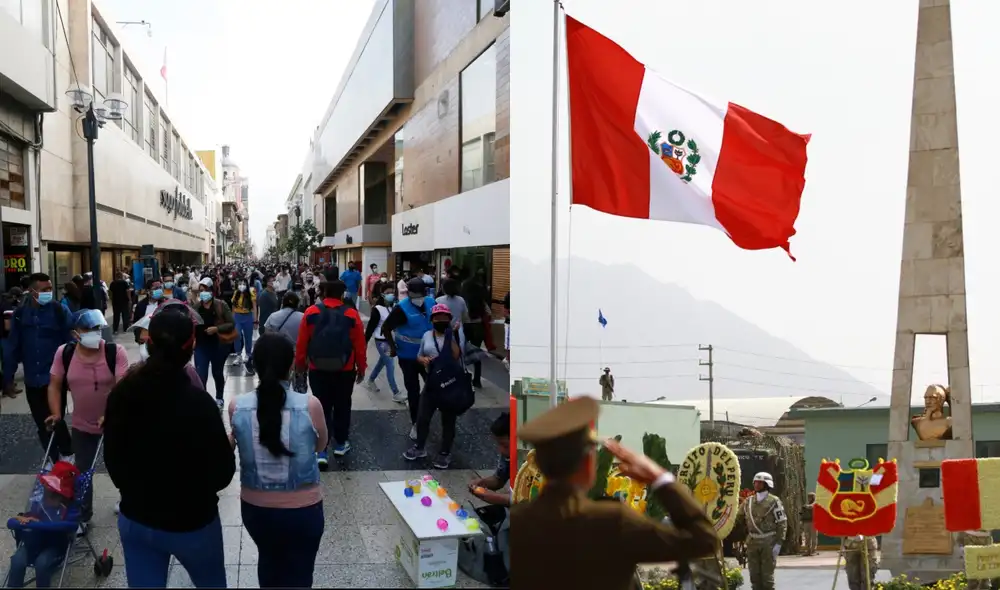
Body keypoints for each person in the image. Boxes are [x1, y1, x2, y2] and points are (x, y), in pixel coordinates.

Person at [510, 396, 717, 590]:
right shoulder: (612, 521)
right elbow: (704, 540)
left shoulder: (517, 522)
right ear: (589, 462)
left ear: (538, 463)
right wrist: (660, 478)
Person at [103, 308, 235, 588]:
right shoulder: (199, 403)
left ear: (148, 343)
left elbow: (113, 459)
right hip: (193, 523)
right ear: (192, 345)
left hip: (137, 518)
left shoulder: (122, 395)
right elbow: (222, 473)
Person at [229, 334, 327, 589]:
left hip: (256, 508)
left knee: (269, 562)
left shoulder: (236, 406)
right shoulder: (310, 405)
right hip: (304, 509)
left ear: (256, 365)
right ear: (291, 365)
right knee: (301, 573)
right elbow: (320, 445)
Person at [45, 310, 128, 532]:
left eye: (97, 329)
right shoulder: (65, 353)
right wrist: (56, 413)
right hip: (82, 424)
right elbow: (54, 384)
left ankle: (129, 501)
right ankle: (82, 514)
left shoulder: (114, 352)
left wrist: (110, 413)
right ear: (75, 333)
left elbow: (122, 387)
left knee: (120, 465)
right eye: (88, 330)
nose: (95, 334)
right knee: (82, 470)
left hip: (113, 422)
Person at [295, 277, 366, 465]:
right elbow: (360, 345)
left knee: (321, 406)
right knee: (343, 405)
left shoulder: (311, 312)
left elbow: (302, 343)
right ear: (342, 294)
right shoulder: (351, 314)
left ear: (324, 293)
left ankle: (321, 450)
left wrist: (300, 365)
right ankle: (341, 444)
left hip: (317, 368)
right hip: (345, 369)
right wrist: (362, 368)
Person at [3, 273, 73, 464]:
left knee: (56, 418)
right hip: (32, 379)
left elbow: (71, 341)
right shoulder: (20, 314)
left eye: (50, 289)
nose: (48, 293)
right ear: (32, 291)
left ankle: (67, 454)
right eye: (44, 290)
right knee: (41, 423)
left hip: (55, 378)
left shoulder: (59, 311)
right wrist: (7, 378)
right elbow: (12, 347)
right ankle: (52, 458)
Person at [402, 303, 466, 469]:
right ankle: (420, 447)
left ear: (449, 320)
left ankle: (445, 452)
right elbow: (419, 355)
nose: (441, 320)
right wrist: (422, 360)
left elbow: (457, 356)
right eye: (437, 318)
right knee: (423, 417)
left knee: (448, 420)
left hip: (450, 384)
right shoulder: (426, 336)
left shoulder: (455, 335)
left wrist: (451, 335)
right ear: (432, 320)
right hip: (432, 382)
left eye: (444, 318)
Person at [6, 462, 77, 588]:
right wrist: (20, 519)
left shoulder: (67, 509)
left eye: (54, 495)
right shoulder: (39, 504)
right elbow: (22, 516)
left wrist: (41, 524)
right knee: (17, 561)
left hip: (54, 546)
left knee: (42, 563)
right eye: (48, 493)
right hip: (31, 543)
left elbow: (71, 526)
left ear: (62, 496)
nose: (49, 498)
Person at [381, 278, 433, 441]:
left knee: (432, 388)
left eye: (420, 294)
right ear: (408, 293)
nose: (417, 297)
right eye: (414, 294)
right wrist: (393, 347)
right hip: (408, 357)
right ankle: (416, 423)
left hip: (429, 356)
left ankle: (426, 414)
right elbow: (386, 328)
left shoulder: (431, 302)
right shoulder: (401, 309)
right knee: (413, 390)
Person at [738, 472, 787, 590]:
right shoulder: (748, 501)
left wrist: (779, 543)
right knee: (754, 577)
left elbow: (782, 523)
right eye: (755, 482)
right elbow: (738, 518)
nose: (756, 484)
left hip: (768, 542)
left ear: (767, 484)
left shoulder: (774, 501)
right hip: (752, 542)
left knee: (767, 579)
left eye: (760, 482)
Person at [193, 278, 237, 409]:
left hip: (218, 345)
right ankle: (203, 400)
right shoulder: (196, 307)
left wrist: (217, 329)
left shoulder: (220, 305)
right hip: (201, 346)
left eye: (205, 290)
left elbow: (231, 323)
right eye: (200, 291)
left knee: (217, 373)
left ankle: (219, 397)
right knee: (201, 375)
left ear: (211, 291)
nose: (202, 293)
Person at [363, 285, 403, 402]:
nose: (391, 294)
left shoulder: (392, 308)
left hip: (390, 340)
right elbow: (370, 327)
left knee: (382, 362)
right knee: (390, 365)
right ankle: (396, 393)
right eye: (388, 292)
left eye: (392, 292)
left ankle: (371, 380)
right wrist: (364, 342)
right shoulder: (377, 309)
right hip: (381, 341)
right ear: (382, 294)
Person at [469, 412, 512, 507]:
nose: (500, 450)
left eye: (505, 445)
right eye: (498, 444)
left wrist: (498, 498)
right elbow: (498, 480)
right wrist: (481, 483)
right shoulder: (508, 456)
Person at [231, 277, 257, 375]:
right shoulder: (236, 293)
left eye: (244, 283)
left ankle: (248, 354)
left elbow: (254, 306)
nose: (242, 285)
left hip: (248, 316)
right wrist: (232, 319)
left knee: (248, 336)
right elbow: (233, 306)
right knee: (237, 335)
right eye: (240, 283)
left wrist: (255, 320)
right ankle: (238, 354)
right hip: (237, 316)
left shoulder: (251, 292)